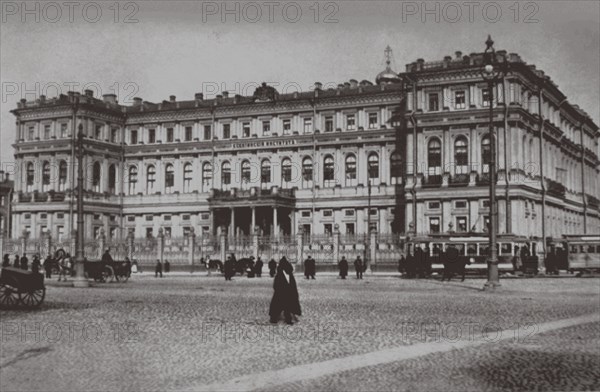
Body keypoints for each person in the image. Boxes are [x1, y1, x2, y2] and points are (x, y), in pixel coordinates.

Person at [269, 256, 301, 325]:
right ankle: (274, 318)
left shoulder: (288, 275)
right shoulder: (281, 274)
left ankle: (287, 319)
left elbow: (292, 285)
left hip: (287, 293)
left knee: (287, 307)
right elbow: (276, 285)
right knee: (278, 307)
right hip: (281, 293)